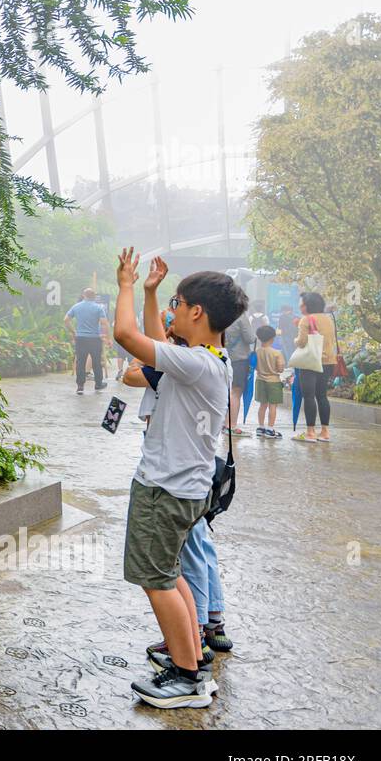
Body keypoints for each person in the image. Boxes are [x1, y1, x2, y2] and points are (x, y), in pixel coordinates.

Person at [113, 250, 248, 709]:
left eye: (177, 302)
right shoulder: (207, 357)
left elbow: (126, 335)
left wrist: (127, 286)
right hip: (183, 487)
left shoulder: (198, 364)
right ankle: (190, 660)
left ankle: (187, 680)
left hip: (165, 489)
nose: (172, 310)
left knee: (156, 579)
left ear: (197, 312)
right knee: (171, 574)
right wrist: (150, 292)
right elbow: (155, 338)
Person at [293, 291, 337, 443]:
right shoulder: (328, 319)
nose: (300, 307)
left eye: (302, 304)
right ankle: (325, 432)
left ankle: (310, 432)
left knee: (309, 396)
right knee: (322, 396)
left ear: (308, 305)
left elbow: (302, 341)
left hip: (311, 361)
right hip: (328, 361)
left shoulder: (306, 319)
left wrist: (295, 339)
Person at [65, 287, 109, 395]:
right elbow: (104, 323)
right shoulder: (98, 308)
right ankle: (98, 384)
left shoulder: (76, 306)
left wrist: (74, 332)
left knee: (80, 362)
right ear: (94, 297)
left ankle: (80, 386)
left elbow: (66, 320)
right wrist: (105, 336)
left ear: (83, 296)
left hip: (80, 338)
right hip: (94, 338)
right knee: (96, 362)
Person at [222, 306, 256, 436]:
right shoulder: (240, 316)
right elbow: (250, 338)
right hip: (239, 358)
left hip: (223, 356)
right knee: (236, 392)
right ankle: (231, 425)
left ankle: (225, 423)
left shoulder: (219, 313)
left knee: (228, 390)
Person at [253, 325, 286, 438]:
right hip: (274, 382)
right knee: (273, 406)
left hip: (260, 380)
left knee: (263, 405)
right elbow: (280, 368)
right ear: (272, 338)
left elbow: (255, 366)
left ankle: (261, 427)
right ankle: (270, 429)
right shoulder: (277, 353)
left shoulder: (257, 352)